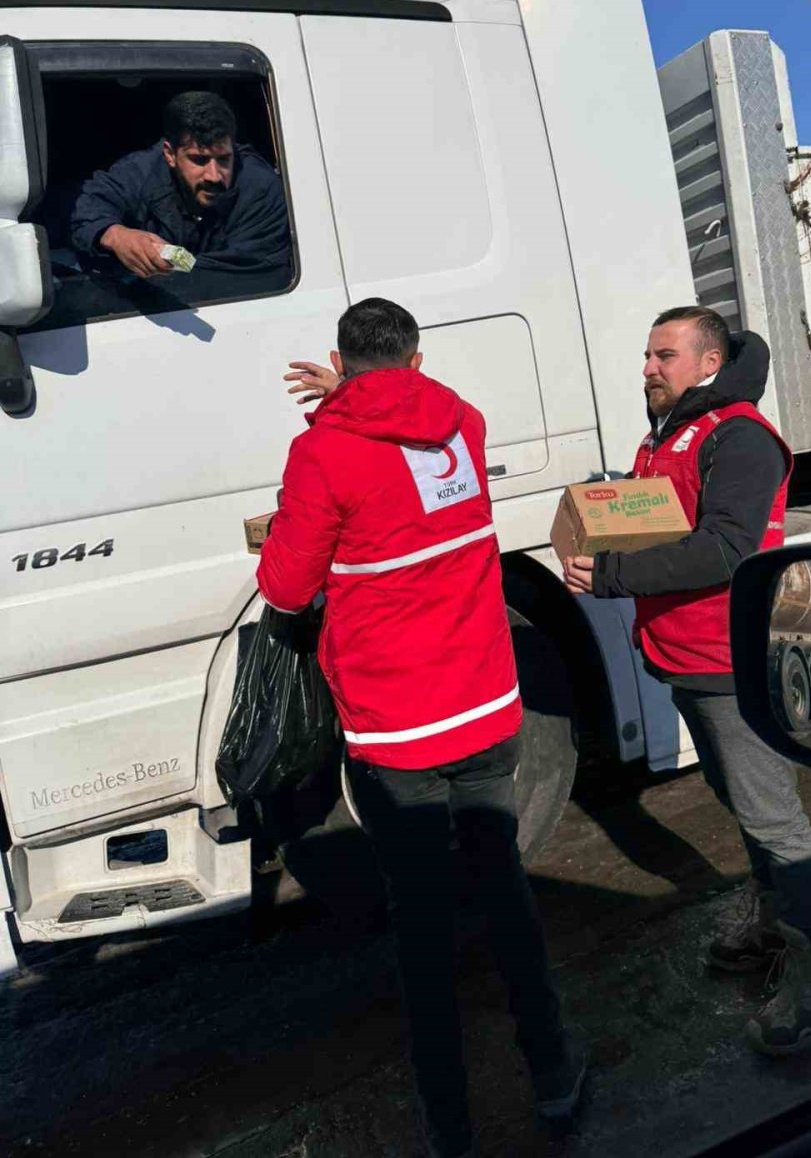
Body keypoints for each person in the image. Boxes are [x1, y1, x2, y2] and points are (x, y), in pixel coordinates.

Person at [257, 298, 584, 1157]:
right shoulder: (461, 425)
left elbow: (288, 589)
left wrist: (337, 408)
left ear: (339, 356)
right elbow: (405, 414)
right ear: (418, 355)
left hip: (397, 731)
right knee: (506, 890)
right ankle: (554, 1076)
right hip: (486, 707)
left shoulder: (323, 451)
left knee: (425, 927)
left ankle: (450, 1124)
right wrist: (357, 394)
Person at [563, 304, 811, 1057]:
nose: (649, 367)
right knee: (742, 804)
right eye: (648, 354)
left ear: (709, 363)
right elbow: (656, 519)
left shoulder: (741, 438)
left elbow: (725, 549)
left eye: (664, 355)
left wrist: (612, 574)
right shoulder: (669, 435)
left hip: (729, 660)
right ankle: (770, 929)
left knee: (772, 816)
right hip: (685, 657)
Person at [70, 90, 289, 302]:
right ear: (170, 154)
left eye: (223, 159)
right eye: (199, 160)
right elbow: (87, 208)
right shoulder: (140, 172)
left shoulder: (261, 188)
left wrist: (165, 268)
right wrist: (116, 236)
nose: (214, 175)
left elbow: (250, 271)